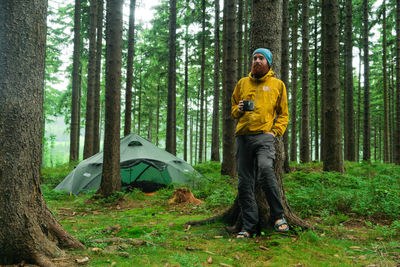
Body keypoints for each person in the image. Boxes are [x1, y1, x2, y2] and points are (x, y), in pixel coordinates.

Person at [231, 48, 289, 238]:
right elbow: (233, 110)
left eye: (261, 58)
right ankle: (248, 226)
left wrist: (274, 132)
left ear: (269, 63)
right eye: (254, 58)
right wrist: (238, 109)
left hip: (264, 136)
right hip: (243, 136)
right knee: (244, 183)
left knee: (265, 170)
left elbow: (284, 114)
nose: (256, 61)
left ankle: (278, 216)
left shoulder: (278, 85)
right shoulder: (242, 83)